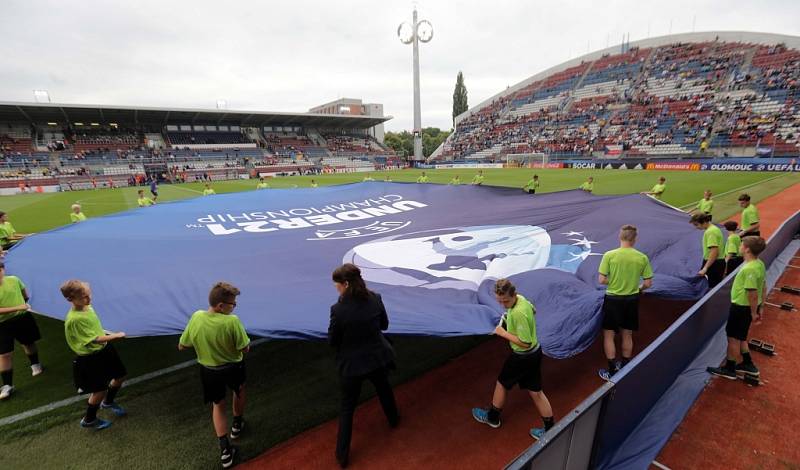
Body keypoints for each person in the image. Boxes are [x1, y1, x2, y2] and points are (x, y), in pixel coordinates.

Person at [328, 264, 398, 468]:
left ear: (346, 284)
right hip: (376, 358)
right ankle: (394, 420)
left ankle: (342, 455)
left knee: (347, 407)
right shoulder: (375, 298)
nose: (336, 288)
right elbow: (384, 325)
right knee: (384, 389)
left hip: (351, 366)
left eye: (337, 285)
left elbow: (333, 341)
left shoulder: (338, 310)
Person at [472, 279, 555, 440]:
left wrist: (503, 333)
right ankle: (550, 428)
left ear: (513, 295)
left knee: (502, 383)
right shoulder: (521, 300)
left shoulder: (518, 312)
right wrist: (507, 318)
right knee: (536, 392)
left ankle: (493, 418)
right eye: (499, 301)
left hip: (522, 357)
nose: (503, 304)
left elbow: (525, 343)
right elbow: (533, 309)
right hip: (535, 354)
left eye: (506, 301)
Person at [179, 282, 250, 469]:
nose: (234, 307)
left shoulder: (196, 317)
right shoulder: (232, 321)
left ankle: (225, 450)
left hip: (209, 371)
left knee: (217, 405)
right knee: (240, 390)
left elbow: (182, 345)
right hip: (234, 367)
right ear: (221, 306)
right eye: (233, 304)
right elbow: (245, 348)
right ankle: (237, 424)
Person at [60, 280, 128, 429]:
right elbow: (95, 339)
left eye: (89, 294)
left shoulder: (87, 307)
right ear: (70, 299)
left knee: (120, 376)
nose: (89, 299)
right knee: (99, 390)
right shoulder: (75, 319)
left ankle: (108, 402)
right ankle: (89, 419)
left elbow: (97, 330)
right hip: (91, 358)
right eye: (84, 297)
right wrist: (116, 335)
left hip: (104, 349)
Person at [597, 225, 653, 380]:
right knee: (627, 333)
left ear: (620, 237)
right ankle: (626, 365)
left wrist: (615, 281)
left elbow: (601, 280)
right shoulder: (642, 257)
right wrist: (638, 287)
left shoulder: (609, 255)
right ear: (635, 239)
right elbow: (648, 283)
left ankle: (612, 370)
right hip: (632, 299)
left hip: (613, 299)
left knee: (609, 335)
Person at [707, 236, 766, 380]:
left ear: (747, 249)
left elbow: (752, 293)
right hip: (747, 307)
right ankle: (747, 364)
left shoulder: (750, 269)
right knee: (741, 336)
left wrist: (753, 313)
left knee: (732, 338)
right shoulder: (759, 264)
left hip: (741, 307)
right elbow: (763, 286)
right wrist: (761, 307)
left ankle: (730, 369)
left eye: (741, 245)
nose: (739, 247)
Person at [0, 262, 42, 400]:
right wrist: (19, 306)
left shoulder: (14, 280)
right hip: (2, 324)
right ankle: (7, 385)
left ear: (3, 270)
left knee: (28, 343)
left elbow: (25, 294)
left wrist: (22, 306)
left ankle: (35, 365)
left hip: (22, 318)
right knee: (5, 354)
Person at [690, 213, 725, 289]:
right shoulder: (713, 229)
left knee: (712, 288)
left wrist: (705, 268)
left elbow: (714, 251)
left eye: (697, 225)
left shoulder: (710, 232)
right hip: (716, 262)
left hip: (714, 264)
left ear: (704, 222)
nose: (696, 227)